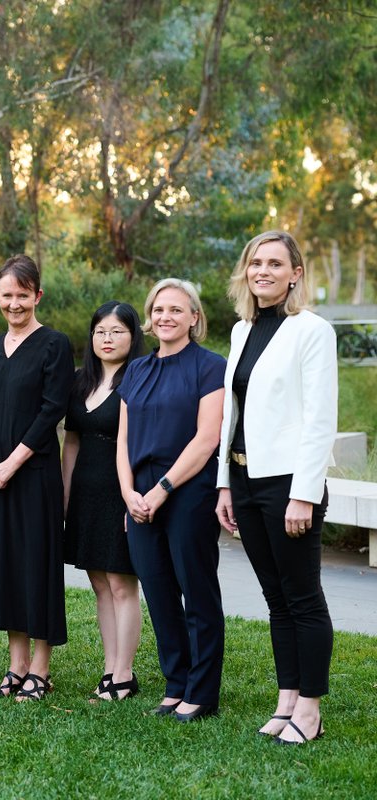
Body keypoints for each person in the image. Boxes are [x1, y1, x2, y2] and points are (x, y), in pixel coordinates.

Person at [214, 231, 336, 745]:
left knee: (302, 597)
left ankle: (310, 710)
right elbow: (232, 416)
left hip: (288, 483)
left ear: (295, 274)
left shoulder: (311, 330)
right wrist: (224, 484)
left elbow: (319, 418)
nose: (262, 270)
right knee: (275, 598)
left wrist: (304, 493)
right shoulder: (243, 331)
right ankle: (287, 699)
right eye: (255, 262)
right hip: (244, 479)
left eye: (274, 263)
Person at [116, 278, 225, 722]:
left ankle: (201, 691)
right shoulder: (136, 370)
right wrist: (129, 495)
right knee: (159, 593)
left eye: (177, 310)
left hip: (187, 492)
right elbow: (122, 442)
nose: (165, 317)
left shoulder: (209, 366)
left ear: (194, 317)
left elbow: (206, 440)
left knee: (196, 592)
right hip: (138, 495)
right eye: (159, 309)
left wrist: (161, 491)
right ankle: (175, 683)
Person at [0, 255, 73, 702]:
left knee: (36, 566)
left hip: (32, 477)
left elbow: (53, 409)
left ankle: (41, 669)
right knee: (5, 566)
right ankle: (16, 666)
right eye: (7, 295)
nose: (14, 304)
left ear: (38, 296)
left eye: (23, 295)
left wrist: (12, 463)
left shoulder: (54, 344)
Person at [61, 301, 146, 701]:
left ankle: (124, 674)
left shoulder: (141, 378)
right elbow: (72, 441)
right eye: (100, 331)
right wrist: (64, 496)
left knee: (121, 582)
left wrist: (136, 498)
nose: (107, 339)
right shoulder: (81, 381)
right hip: (86, 490)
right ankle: (109, 668)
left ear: (133, 336)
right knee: (98, 582)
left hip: (121, 489)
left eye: (116, 332)